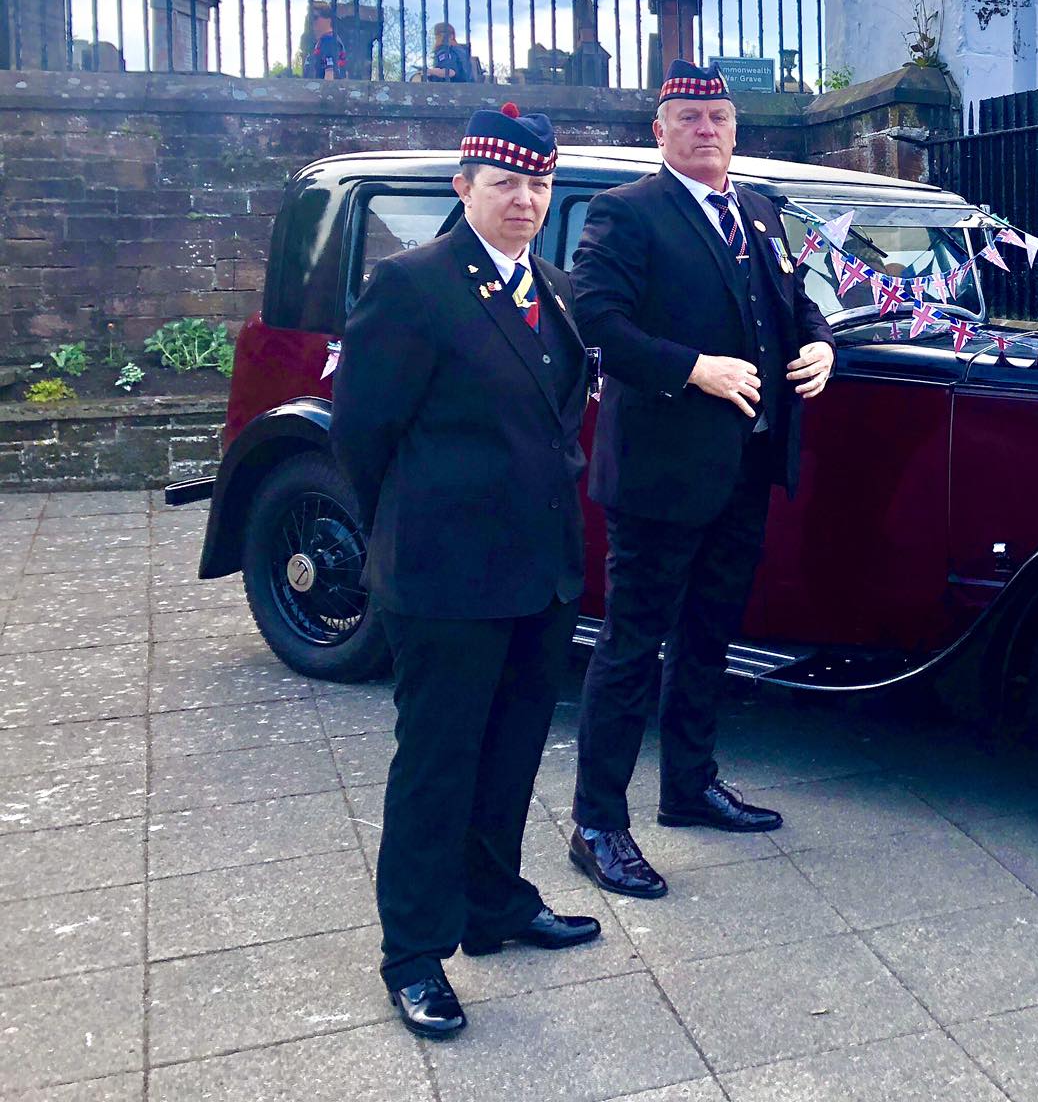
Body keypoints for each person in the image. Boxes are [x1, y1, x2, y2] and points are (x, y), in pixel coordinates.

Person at [330, 101, 599, 1039]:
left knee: (512, 753)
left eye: (539, 183)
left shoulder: (554, 289)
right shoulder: (414, 286)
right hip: (446, 580)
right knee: (437, 766)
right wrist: (402, 534)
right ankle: (412, 954)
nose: (525, 199)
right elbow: (361, 433)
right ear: (464, 188)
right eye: (505, 184)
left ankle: (493, 903)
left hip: (539, 577)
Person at [568, 58, 836, 899]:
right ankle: (596, 825)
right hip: (658, 472)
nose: (708, 129)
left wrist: (825, 343)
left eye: (719, 117)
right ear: (660, 131)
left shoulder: (754, 210)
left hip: (744, 467)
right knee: (631, 645)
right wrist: (694, 370)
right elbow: (595, 320)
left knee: (711, 635)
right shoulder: (626, 214)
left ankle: (688, 786)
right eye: (689, 119)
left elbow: (795, 305)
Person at [307, 9, 348, 81]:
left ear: (328, 20)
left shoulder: (328, 41)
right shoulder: (327, 40)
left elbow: (330, 74)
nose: (312, 22)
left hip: (323, 90)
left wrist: (326, 91)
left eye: (315, 17)